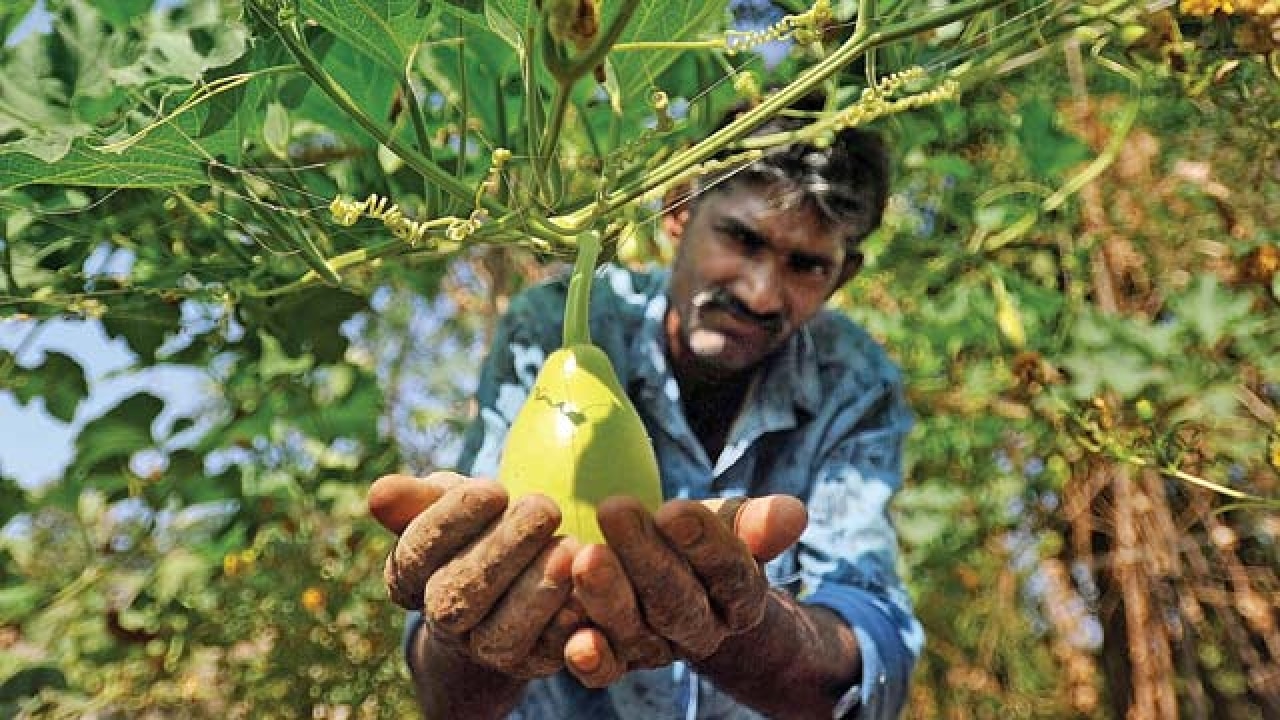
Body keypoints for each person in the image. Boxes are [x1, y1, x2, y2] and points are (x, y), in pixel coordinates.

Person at [368, 106, 924, 719]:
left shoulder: (856, 381)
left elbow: (872, 636)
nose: (761, 292)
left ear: (843, 276)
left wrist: (742, 622)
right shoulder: (552, 326)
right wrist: (464, 625)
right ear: (680, 208)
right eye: (742, 239)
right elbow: (448, 692)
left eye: (807, 265)